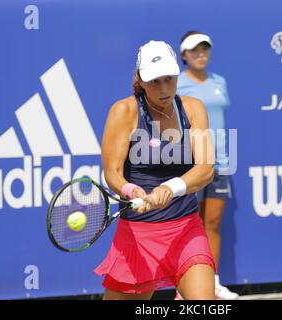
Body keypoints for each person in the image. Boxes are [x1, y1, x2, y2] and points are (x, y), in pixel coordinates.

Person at [94, 40, 217, 300]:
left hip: (186, 231)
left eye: (169, 79)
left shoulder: (193, 109)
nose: (164, 88)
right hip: (138, 237)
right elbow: (112, 172)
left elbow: (205, 169)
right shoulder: (123, 111)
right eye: (154, 82)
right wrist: (131, 190)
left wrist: (169, 188)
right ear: (140, 79)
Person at [176, 31, 239, 300]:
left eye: (205, 49)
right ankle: (185, 287)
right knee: (189, 225)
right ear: (184, 56)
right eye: (194, 50)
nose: (201, 54)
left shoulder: (219, 81)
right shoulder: (175, 84)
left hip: (221, 162)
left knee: (212, 222)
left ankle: (211, 283)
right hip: (189, 163)